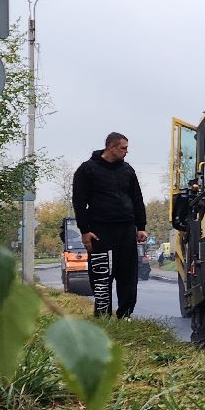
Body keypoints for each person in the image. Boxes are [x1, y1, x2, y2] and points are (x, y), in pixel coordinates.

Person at [71, 132, 148, 318]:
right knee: (101, 273)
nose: (126, 152)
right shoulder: (87, 170)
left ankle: (126, 315)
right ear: (110, 147)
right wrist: (85, 230)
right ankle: (103, 315)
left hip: (126, 227)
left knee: (128, 274)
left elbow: (137, 198)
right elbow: (79, 202)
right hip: (100, 229)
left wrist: (141, 226)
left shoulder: (127, 170)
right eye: (123, 148)